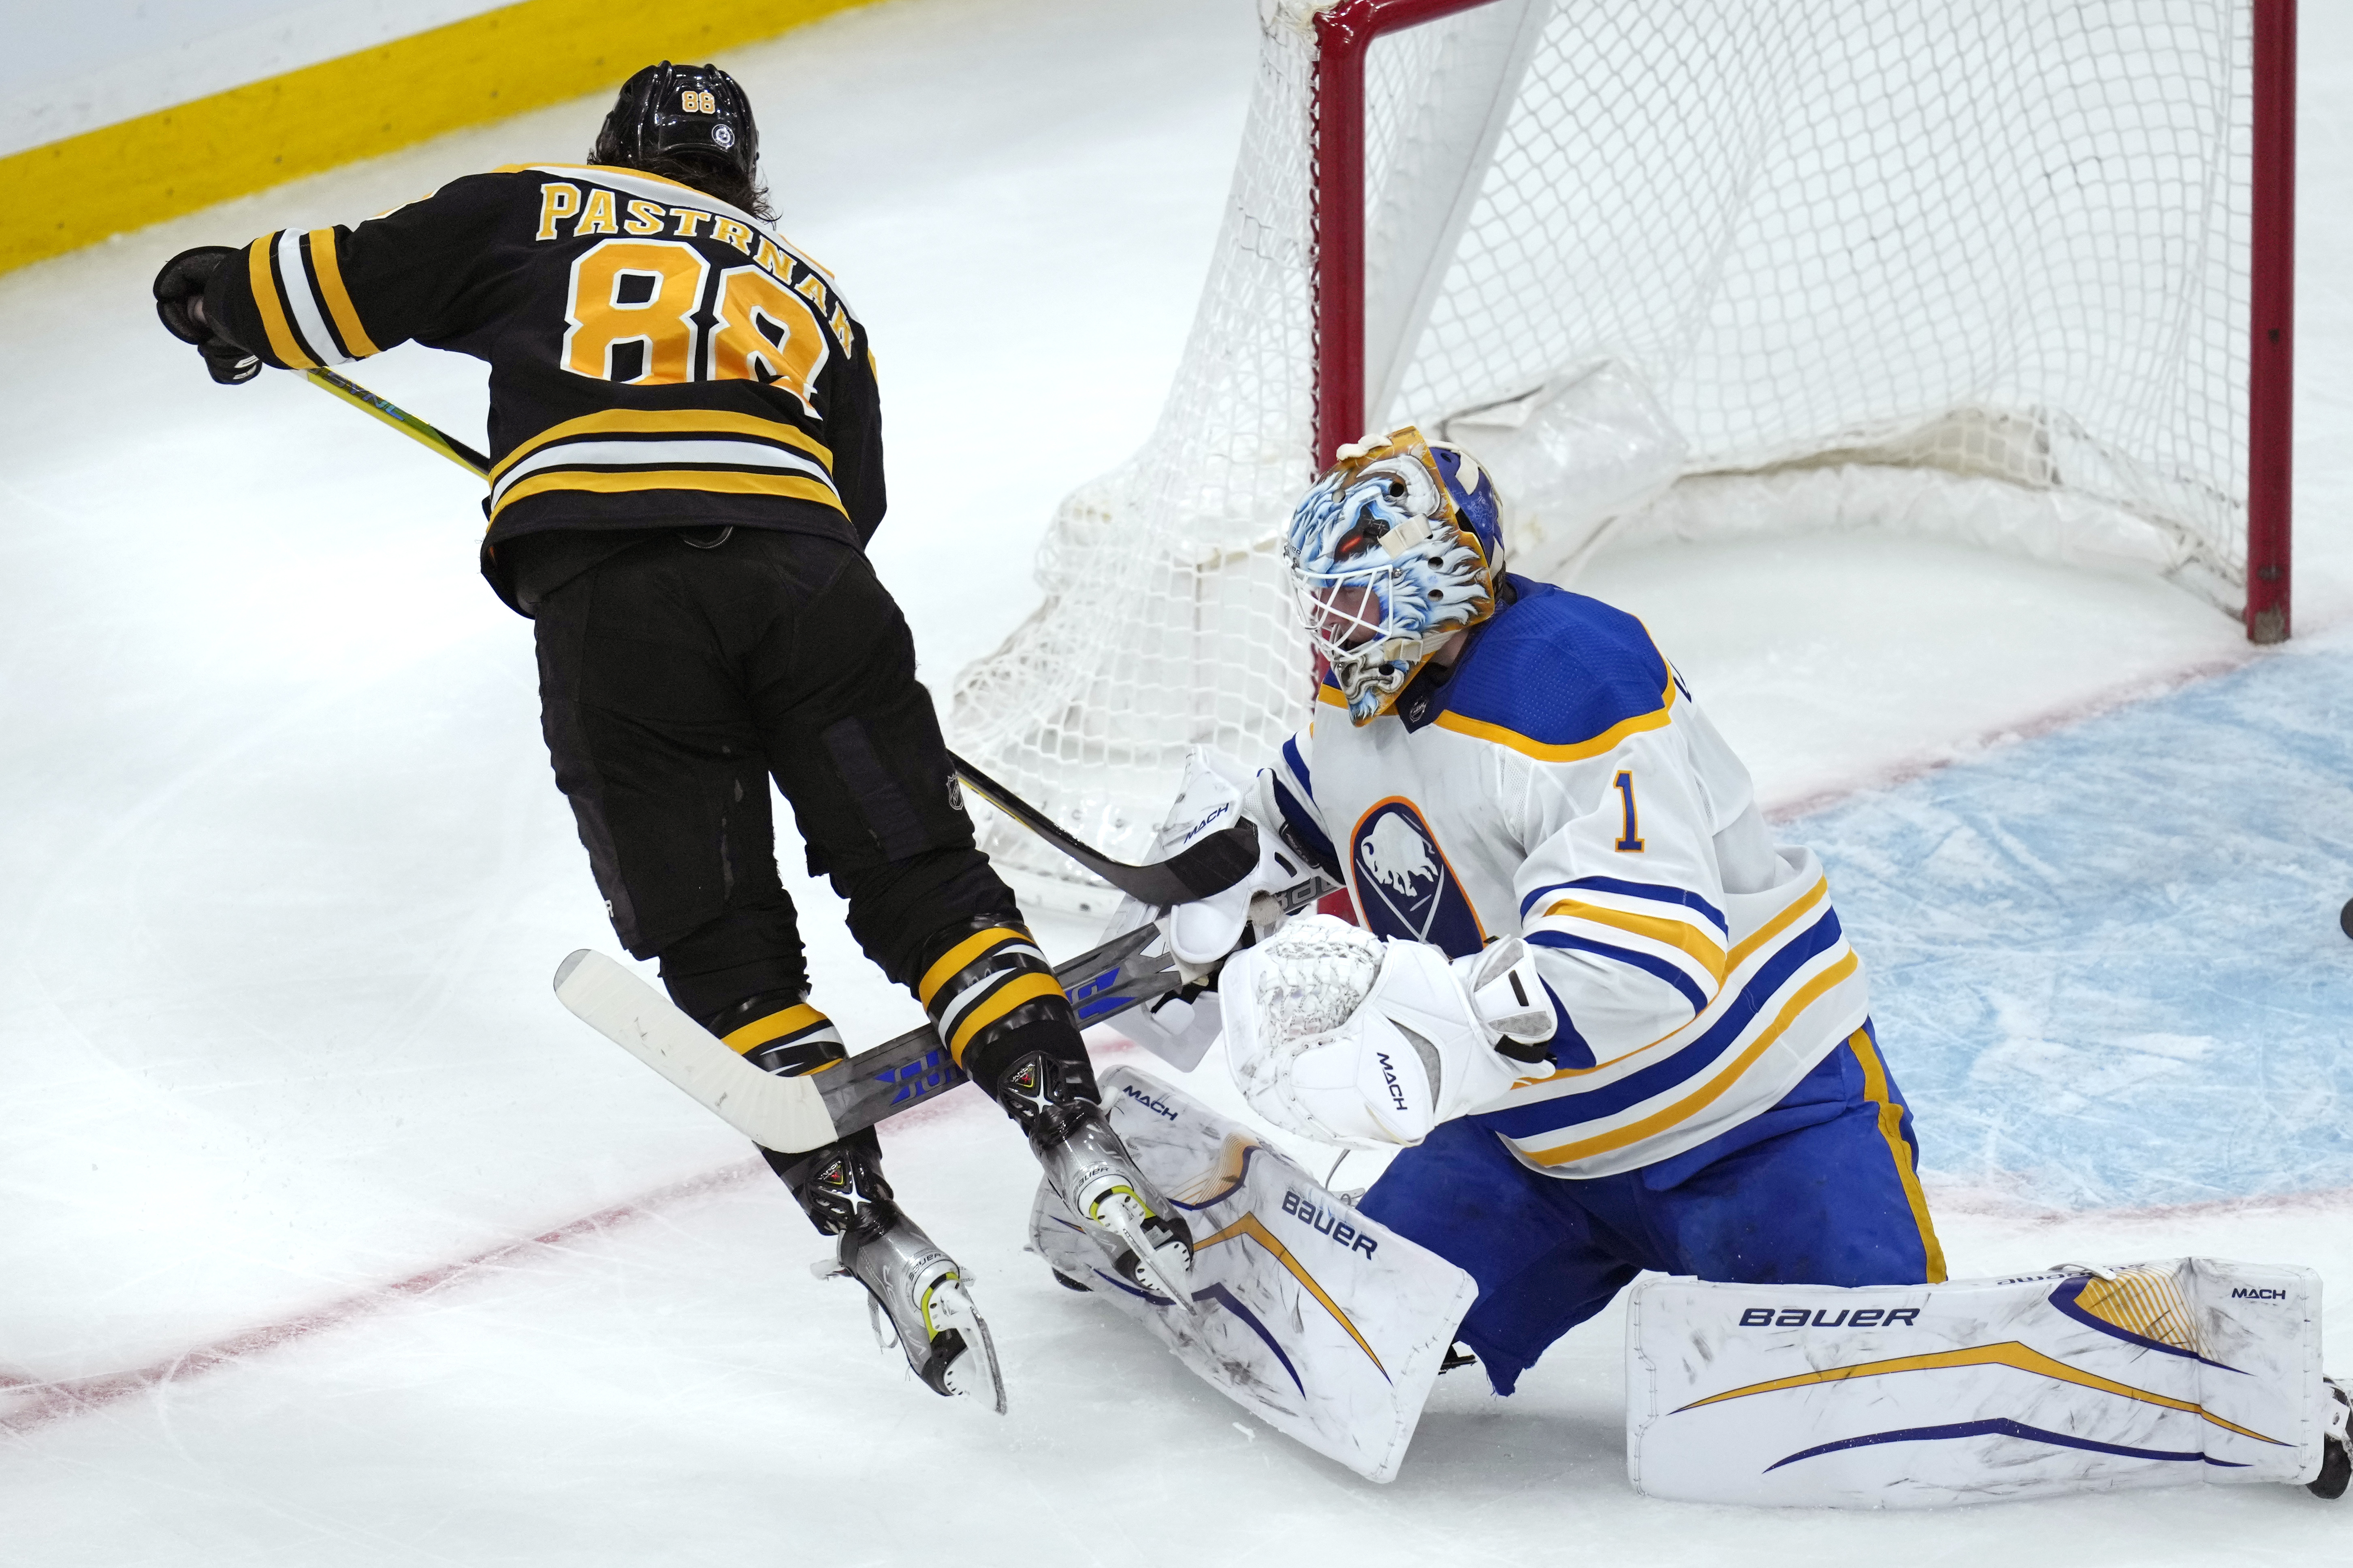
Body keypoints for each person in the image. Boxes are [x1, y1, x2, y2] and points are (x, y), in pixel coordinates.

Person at [148, 60, 1192, 1411]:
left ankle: (870, 1224)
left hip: (622, 610)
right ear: (746, 182)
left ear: (610, 153)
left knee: (724, 941)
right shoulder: (815, 295)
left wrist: (217, 299)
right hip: (816, 590)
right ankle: (1078, 1135)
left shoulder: (530, 207)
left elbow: (323, 286)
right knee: (929, 884)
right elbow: (850, 500)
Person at [1157, 424, 1944, 1397]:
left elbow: (1647, 962)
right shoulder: (1359, 689)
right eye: (1322, 598)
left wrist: (1431, 1020)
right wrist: (1229, 874)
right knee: (1318, 1347)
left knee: (1877, 1389)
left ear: (1446, 577)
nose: (1333, 626)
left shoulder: (1572, 677)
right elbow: (1339, 802)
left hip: (1756, 1126)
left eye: (1358, 596)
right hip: (1529, 1154)